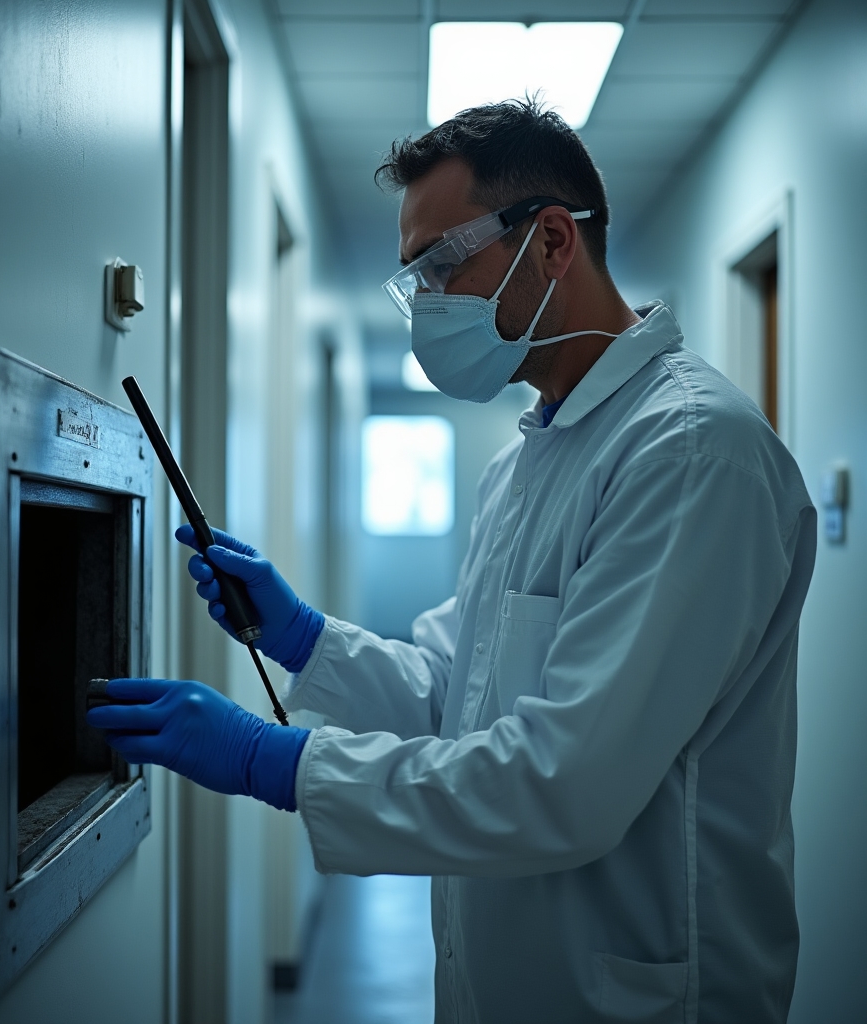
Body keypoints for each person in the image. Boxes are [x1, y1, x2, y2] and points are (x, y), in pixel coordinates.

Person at [89, 99, 816, 1023]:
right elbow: (457, 692)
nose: (426, 303)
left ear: (553, 240)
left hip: (641, 987)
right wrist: (305, 638)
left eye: (441, 264)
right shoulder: (527, 458)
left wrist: (274, 761)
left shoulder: (688, 453)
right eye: (414, 278)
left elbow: (563, 784)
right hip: (505, 976)